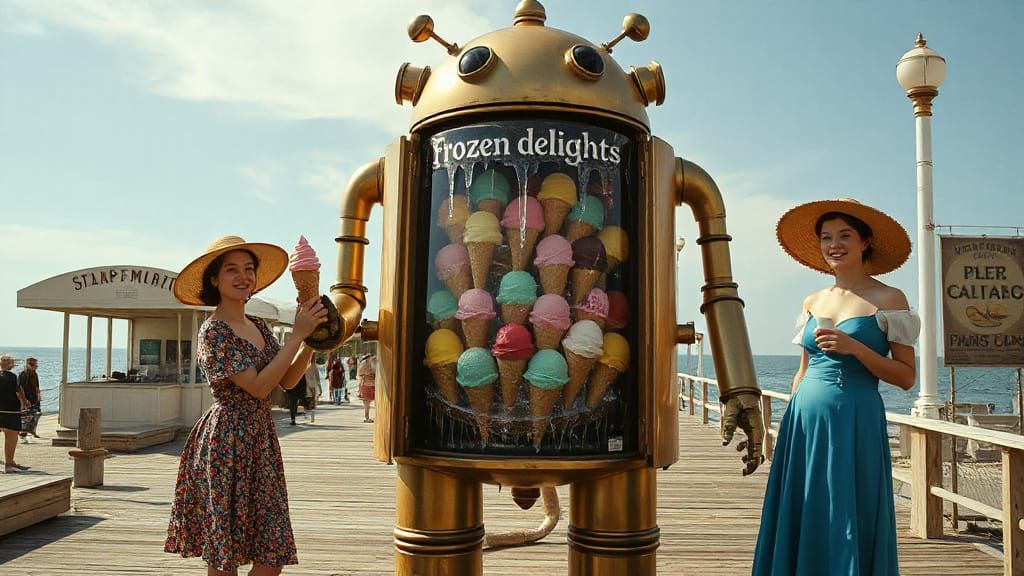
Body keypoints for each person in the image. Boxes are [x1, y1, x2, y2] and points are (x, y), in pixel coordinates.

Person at [753, 200, 920, 576]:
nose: (834, 244)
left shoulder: (889, 299)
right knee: (804, 506)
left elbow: (906, 377)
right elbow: (804, 369)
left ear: (865, 242)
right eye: (827, 237)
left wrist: (855, 348)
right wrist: (784, 426)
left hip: (853, 421)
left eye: (845, 235)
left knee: (846, 511)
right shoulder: (814, 300)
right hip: (803, 423)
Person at [164, 235, 327, 576]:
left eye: (249, 269)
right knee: (225, 556)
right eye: (232, 270)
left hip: (261, 440)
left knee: (272, 554)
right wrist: (296, 335)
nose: (243, 277)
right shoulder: (213, 332)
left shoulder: (258, 325)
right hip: (226, 441)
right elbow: (256, 386)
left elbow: (287, 381)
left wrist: (311, 341)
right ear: (214, 279)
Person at [0, 354, 29, 474]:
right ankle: (9, 463)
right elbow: (19, 390)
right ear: (10, 364)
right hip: (10, 410)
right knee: (11, 436)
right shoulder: (13, 377)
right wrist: (24, 402)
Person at [18, 356, 41, 443]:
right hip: (26, 398)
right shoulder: (22, 374)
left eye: (36, 365)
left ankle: (32, 430)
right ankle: (23, 434)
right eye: (34, 365)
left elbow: (37, 386)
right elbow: (20, 389)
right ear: (28, 365)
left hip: (34, 398)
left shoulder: (34, 374)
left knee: (36, 414)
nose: (36, 367)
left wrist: (38, 395)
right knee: (26, 416)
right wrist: (23, 401)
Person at [357, 354, 376, 423]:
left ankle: (368, 417)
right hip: (367, 385)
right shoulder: (364, 363)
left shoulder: (371, 363)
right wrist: (370, 373)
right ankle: (367, 417)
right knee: (367, 402)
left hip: (371, 384)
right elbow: (360, 373)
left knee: (368, 402)